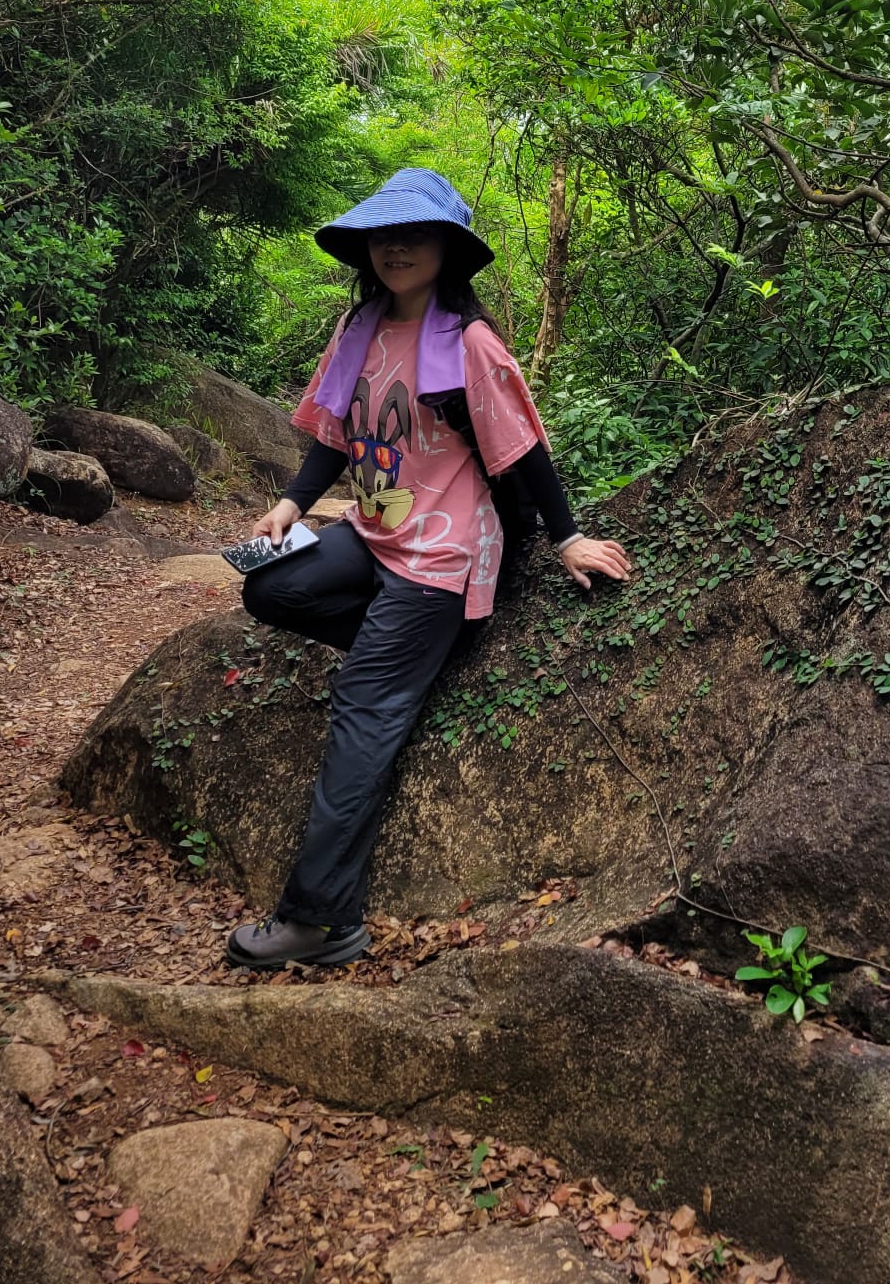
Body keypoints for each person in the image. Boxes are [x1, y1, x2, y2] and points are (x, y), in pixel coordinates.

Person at [225, 168, 630, 970]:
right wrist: (293, 504)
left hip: (446, 550)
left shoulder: (469, 342)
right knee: (272, 586)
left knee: (363, 707)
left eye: (414, 235)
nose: (396, 248)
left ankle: (321, 921)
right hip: (376, 527)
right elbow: (335, 435)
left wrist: (567, 538)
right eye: (383, 236)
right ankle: (416, 654)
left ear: (449, 249)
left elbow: (523, 449)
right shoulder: (359, 326)